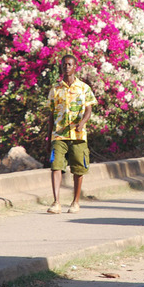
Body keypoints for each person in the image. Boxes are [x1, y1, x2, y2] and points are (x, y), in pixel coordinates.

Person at [46, 54, 97, 214]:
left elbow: (89, 109)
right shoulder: (55, 90)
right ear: (61, 67)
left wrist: (82, 124)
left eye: (69, 64)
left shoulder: (83, 88)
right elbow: (51, 115)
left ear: (75, 67)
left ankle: (75, 202)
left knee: (78, 169)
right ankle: (56, 202)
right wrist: (48, 138)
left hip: (77, 136)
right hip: (59, 134)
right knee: (56, 166)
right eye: (64, 64)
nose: (66, 67)